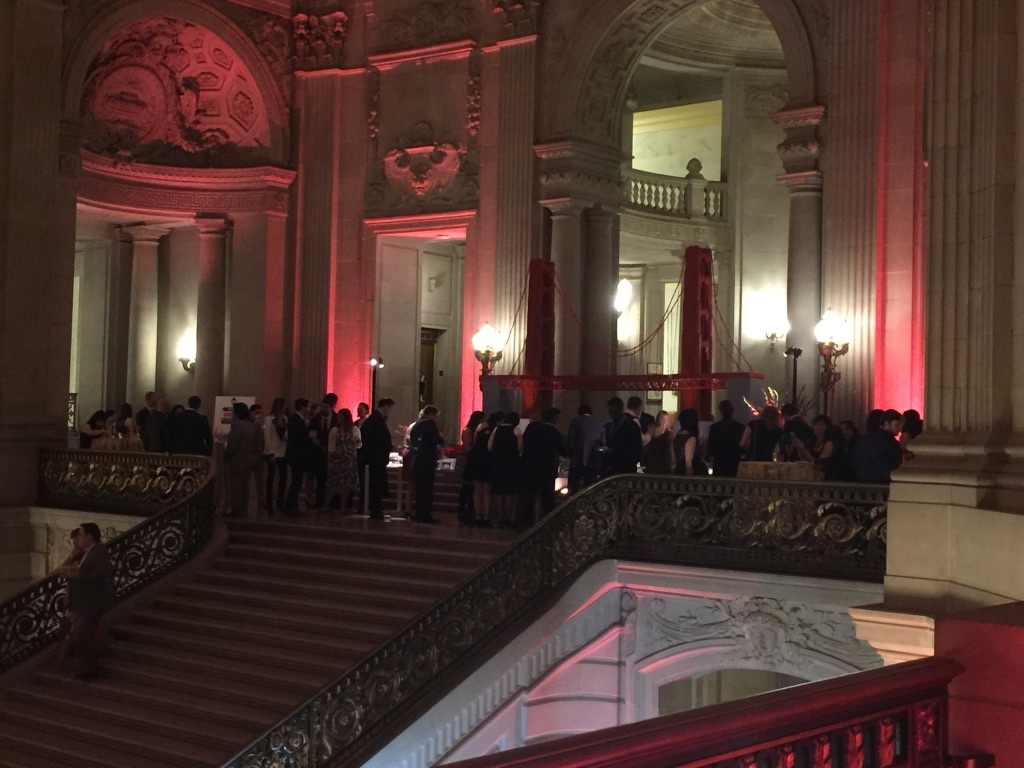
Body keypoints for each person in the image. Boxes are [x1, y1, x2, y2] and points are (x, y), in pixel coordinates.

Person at [66, 522, 114, 680]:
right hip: (84, 602)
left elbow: (99, 577)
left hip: (92, 603)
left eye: (81, 535)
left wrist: (77, 576)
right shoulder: (88, 552)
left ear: (90, 536)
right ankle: (84, 669)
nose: (79, 538)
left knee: (86, 637)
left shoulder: (99, 552)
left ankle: (87, 670)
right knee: (83, 637)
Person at [518, 408, 566, 529]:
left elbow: (525, 443)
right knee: (547, 497)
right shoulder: (555, 433)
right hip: (547, 469)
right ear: (554, 418)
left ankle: (523, 524)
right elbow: (564, 451)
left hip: (529, 466)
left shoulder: (532, 427)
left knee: (527, 496)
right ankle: (549, 524)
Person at [224, 402, 263, 517]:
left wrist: (226, 455)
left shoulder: (237, 426)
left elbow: (232, 444)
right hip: (250, 459)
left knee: (236, 485)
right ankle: (244, 507)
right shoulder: (254, 426)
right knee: (245, 485)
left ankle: (236, 509)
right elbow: (259, 444)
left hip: (237, 459)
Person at [361, 398, 395, 519]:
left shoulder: (375, 418)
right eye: (389, 408)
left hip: (376, 456)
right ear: (385, 406)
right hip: (376, 457)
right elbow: (379, 438)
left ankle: (376, 509)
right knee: (376, 484)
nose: (389, 411)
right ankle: (376, 509)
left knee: (376, 483)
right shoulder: (376, 419)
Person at [409, 405, 444, 524]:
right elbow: (437, 439)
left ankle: (419, 513)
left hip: (417, 461)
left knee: (419, 490)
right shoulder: (429, 424)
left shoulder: (416, 425)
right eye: (435, 416)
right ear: (431, 414)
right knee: (427, 489)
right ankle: (425, 515)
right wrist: (441, 435)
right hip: (427, 461)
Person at [488, 411, 523, 527]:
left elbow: (489, 446)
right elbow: (520, 448)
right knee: (509, 493)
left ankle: (500, 517)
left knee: (498, 492)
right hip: (511, 465)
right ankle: (508, 518)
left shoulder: (496, 429)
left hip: (497, 464)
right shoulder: (516, 430)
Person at [852, 408, 904, 483]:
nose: (900, 428)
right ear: (886, 423)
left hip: (861, 480)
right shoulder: (890, 442)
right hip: (884, 481)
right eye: (897, 425)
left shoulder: (864, 438)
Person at [327, 407, 362, 513]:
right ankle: (327, 505)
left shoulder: (354, 430)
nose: (338, 418)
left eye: (341, 416)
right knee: (333, 484)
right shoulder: (334, 430)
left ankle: (343, 505)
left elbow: (359, 445)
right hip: (337, 459)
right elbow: (331, 447)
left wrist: (356, 441)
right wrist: (329, 461)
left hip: (349, 460)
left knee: (347, 485)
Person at [285, 398, 316, 515]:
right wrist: (309, 436)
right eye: (307, 407)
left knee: (297, 481)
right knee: (296, 481)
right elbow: (297, 438)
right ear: (303, 407)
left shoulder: (298, 419)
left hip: (298, 455)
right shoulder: (295, 420)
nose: (308, 409)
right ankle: (292, 506)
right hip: (297, 455)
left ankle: (291, 505)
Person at [470, 411, 502, 527]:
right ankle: (486, 516)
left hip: (476, 459)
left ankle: (478, 514)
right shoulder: (497, 430)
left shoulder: (481, 427)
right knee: (487, 490)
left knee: (477, 489)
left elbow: (474, 442)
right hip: (489, 461)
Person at [566, 404, 604, 493]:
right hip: (593, 460)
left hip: (578, 459)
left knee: (573, 487)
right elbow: (602, 441)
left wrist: (569, 454)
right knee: (590, 488)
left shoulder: (575, 421)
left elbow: (570, 441)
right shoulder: (598, 422)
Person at [705, 399, 744, 477]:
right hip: (734, 461)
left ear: (721, 411)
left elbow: (710, 446)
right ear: (732, 410)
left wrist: (708, 456)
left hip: (719, 461)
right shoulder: (739, 427)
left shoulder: (715, 428)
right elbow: (742, 446)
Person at [458, 411, 485, 525]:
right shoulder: (468, 430)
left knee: (471, 488)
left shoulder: (475, 430)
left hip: (473, 460)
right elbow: (467, 447)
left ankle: (469, 511)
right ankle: (463, 512)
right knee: (467, 487)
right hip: (467, 460)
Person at [604, 396, 643, 475]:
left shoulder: (631, 426)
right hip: (613, 467)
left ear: (620, 410)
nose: (612, 415)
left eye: (614, 412)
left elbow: (637, 449)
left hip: (626, 468)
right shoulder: (609, 426)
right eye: (610, 413)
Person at [263, 397, 289, 514]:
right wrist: (270, 452)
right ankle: (269, 502)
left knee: (283, 477)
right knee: (271, 478)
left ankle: (280, 501)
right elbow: (267, 437)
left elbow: (286, 434)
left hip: (282, 450)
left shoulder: (285, 418)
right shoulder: (269, 419)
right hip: (273, 451)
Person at [674, 408, 706, 475]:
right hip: (690, 474)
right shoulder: (691, 438)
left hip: (679, 472)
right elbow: (688, 462)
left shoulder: (678, 437)